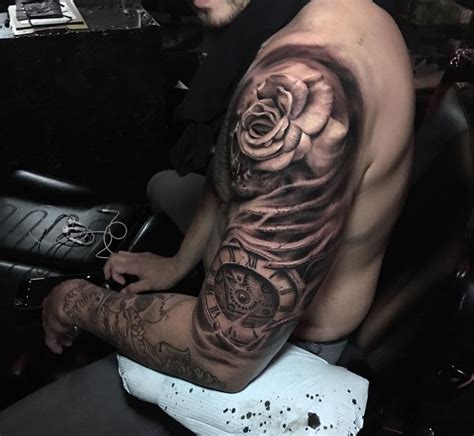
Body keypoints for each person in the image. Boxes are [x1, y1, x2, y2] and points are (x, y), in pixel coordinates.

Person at [0, 0, 414, 434]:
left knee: (21, 425)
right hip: (252, 309)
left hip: (276, 349)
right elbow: (228, 175)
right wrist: (179, 262)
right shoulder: (332, 14)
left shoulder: (304, 76)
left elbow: (222, 353)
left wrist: (74, 301)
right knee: (163, 183)